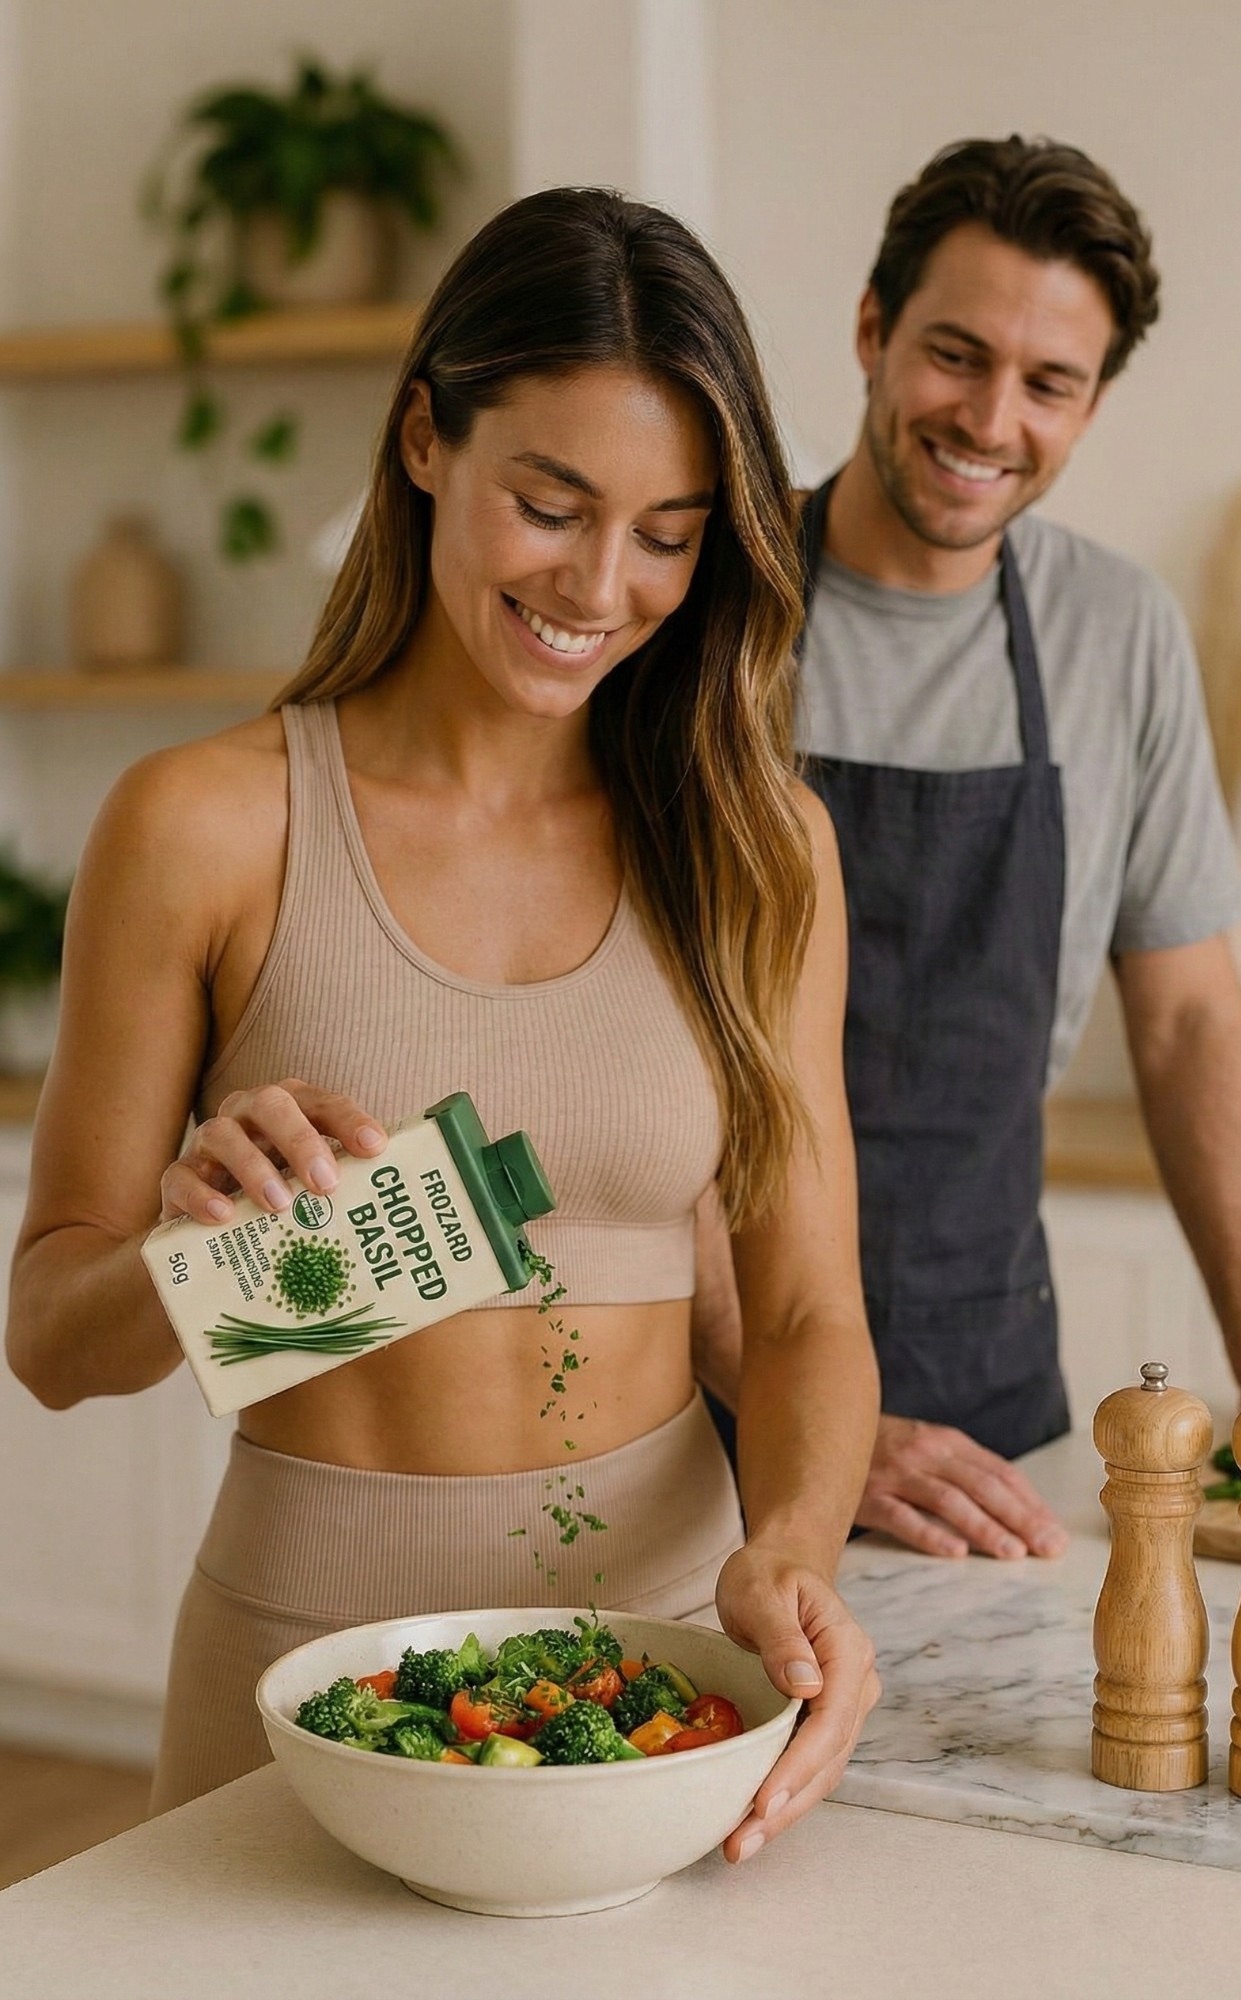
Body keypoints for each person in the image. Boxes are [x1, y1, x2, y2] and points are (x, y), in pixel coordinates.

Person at [4, 188, 880, 1858]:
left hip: (650, 1690)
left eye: (669, 534)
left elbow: (806, 1315)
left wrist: (789, 1547)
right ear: (424, 439)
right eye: (549, 504)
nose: (599, 586)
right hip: (303, 1692)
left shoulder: (757, 846)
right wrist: (205, 1251)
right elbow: (52, 1341)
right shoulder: (204, 822)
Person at [692, 135, 1241, 1564]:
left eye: (1048, 383)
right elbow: (618, 1047)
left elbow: (1181, 1020)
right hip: (695, 1383)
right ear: (870, 331)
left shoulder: (1118, 633)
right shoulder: (705, 611)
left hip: (984, 1378)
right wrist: (781, 1391)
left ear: (1092, 403)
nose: (990, 416)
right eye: (953, 353)